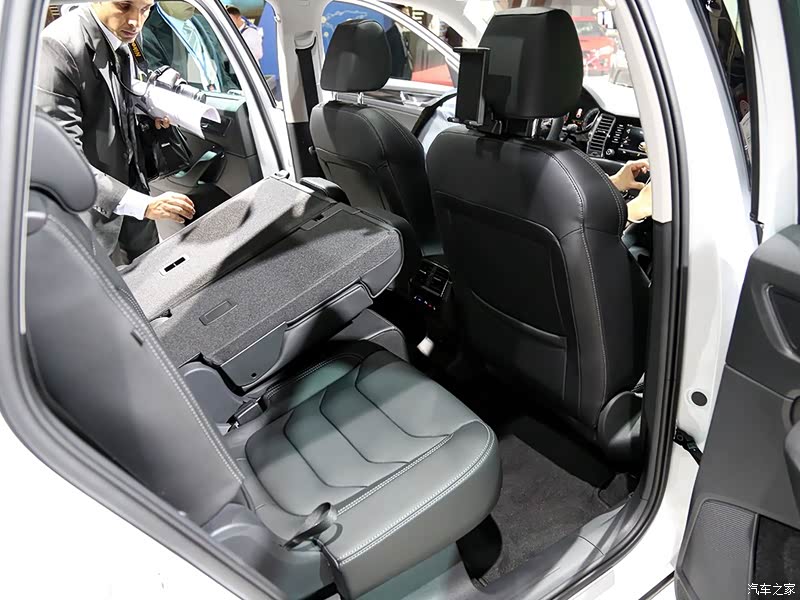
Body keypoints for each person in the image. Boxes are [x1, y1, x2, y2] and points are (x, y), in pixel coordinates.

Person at [37, 1, 195, 264]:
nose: (135, 21)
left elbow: (117, 98)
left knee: (152, 274)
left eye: (145, 9)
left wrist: (146, 116)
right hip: (93, 206)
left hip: (134, 189)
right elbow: (63, 161)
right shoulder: (57, 46)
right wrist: (143, 205)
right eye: (124, 6)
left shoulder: (128, 36)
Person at [141, 1, 238, 92]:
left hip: (222, 99)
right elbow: (161, 89)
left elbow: (222, 75)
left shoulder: (204, 22)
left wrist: (236, 94)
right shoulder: (145, 34)